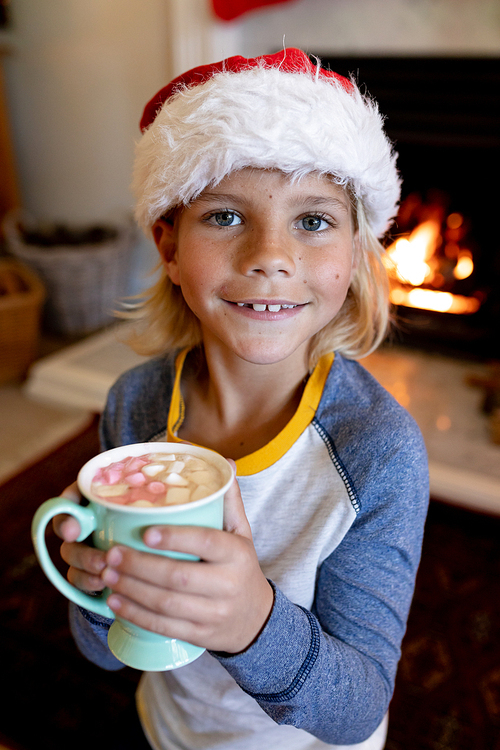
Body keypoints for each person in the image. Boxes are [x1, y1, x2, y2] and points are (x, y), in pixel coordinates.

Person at [54, 48, 429, 750]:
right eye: (226, 216)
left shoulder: (379, 450)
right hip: (168, 729)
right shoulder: (136, 404)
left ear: (354, 256)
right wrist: (100, 589)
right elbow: (105, 650)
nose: (270, 255)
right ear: (168, 244)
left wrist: (253, 623)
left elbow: (357, 707)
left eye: (313, 220)